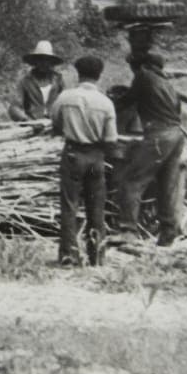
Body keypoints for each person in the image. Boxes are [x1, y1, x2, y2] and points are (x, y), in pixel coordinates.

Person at [50, 55, 119, 267]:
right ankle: (97, 256)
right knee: (96, 207)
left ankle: (69, 256)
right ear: (99, 75)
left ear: (78, 74)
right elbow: (111, 139)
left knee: (69, 206)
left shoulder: (64, 97)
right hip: (96, 157)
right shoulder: (106, 103)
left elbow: (56, 126)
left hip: (73, 154)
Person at [113, 50, 186, 246]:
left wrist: (109, 103)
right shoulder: (168, 84)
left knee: (131, 181)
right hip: (176, 135)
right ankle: (169, 230)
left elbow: (127, 101)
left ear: (142, 65)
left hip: (158, 135)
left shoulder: (144, 76)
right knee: (167, 183)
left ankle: (127, 230)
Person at [8, 41, 65, 122]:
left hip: (55, 124)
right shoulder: (25, 81)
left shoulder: (58, 80)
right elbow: (14, 107)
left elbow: (66, 103)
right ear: (35, 61)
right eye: (40, 59)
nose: (44, 63)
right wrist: (27, 120)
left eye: (47, 60)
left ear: (51, 62)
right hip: (33, 124)